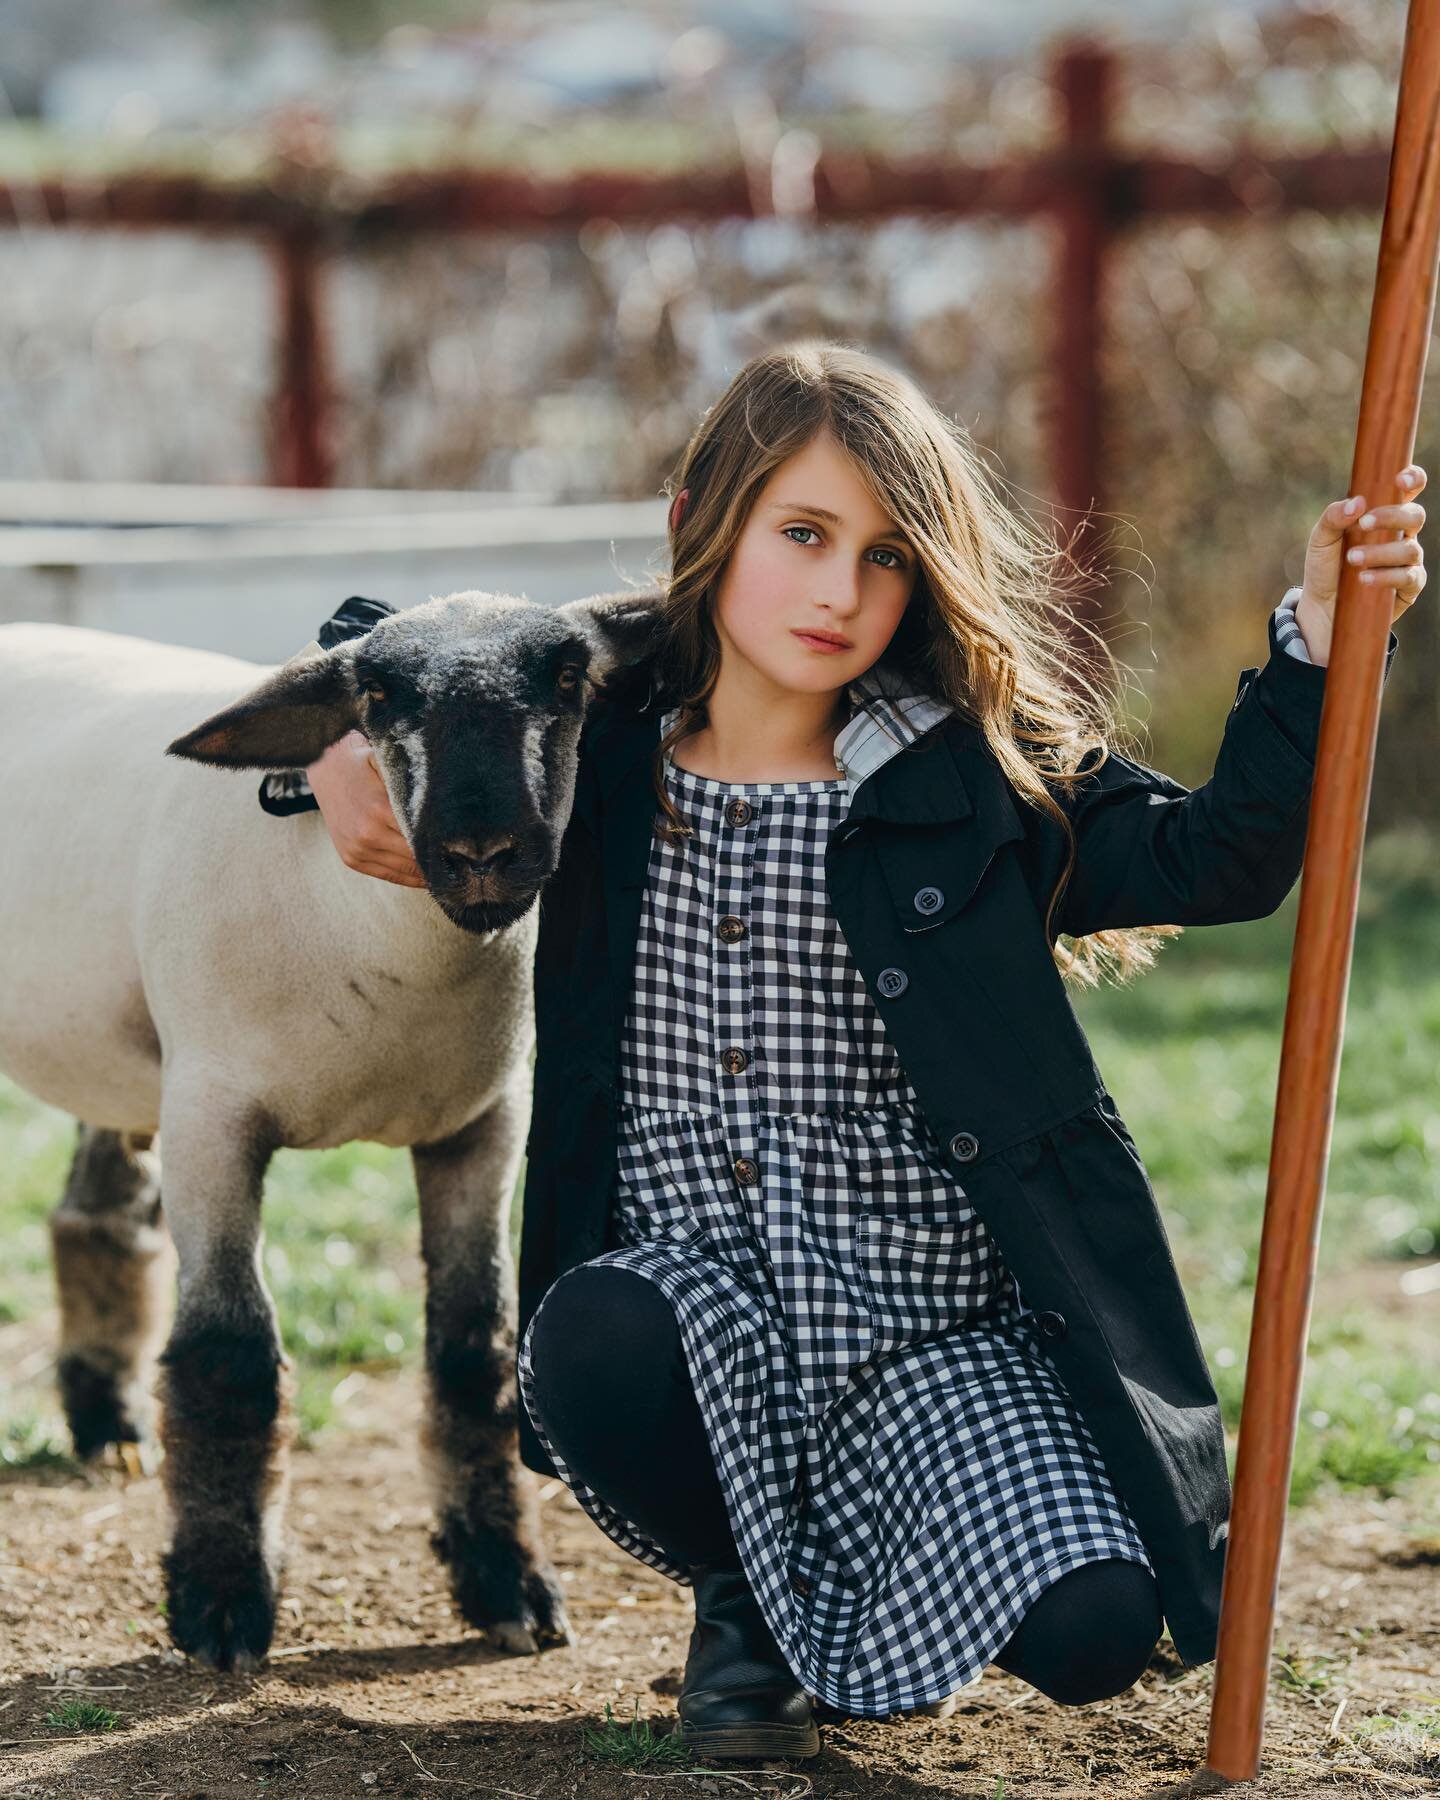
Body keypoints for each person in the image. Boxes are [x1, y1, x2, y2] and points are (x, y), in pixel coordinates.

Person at [266, 343, 1425, 1760]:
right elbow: (415, 648)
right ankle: (745, 1592)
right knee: (593, 1329)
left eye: (883, 558)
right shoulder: (597, 752)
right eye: (802, 535)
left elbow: (1227, 855)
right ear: (704, 518)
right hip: (702, 1317)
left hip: (933, 1331)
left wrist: (1317, 634)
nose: (839, 592)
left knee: (1098, 1633)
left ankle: (880, 1558)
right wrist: (327, 754)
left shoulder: (968, 782)